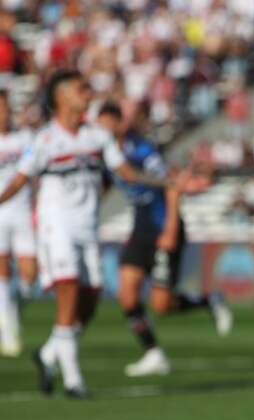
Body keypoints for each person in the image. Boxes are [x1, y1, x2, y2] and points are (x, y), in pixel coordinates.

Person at [0, 70, 194, 397]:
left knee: (88, 303)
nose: (88, 94)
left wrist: (169, 182)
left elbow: (127, 173)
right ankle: (73, 381)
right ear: (62, 97)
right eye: (82, 89)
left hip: (88, 227)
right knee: (68, 291)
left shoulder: (97, 136)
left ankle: (48, 354)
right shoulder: (45, 140)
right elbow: (19, 180)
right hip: (56, 225)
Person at [96, 103, 232, 377]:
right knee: (127, 293)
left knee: (161, 305)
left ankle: (208, 300)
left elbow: (171, 184)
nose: (102, 130)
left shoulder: (141, 150)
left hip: (163, 225)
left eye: (107, 124)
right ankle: (153, 353)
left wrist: (170, 227)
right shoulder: (105, 154)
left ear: (119, 124)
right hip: (140, 226)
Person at [0, 90, 36, 356]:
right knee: (2, 272)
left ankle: (10, 315)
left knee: (29, 276)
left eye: (4, 108)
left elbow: (35, 172)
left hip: (22, 211)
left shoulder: (25, 138)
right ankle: (8, 332)